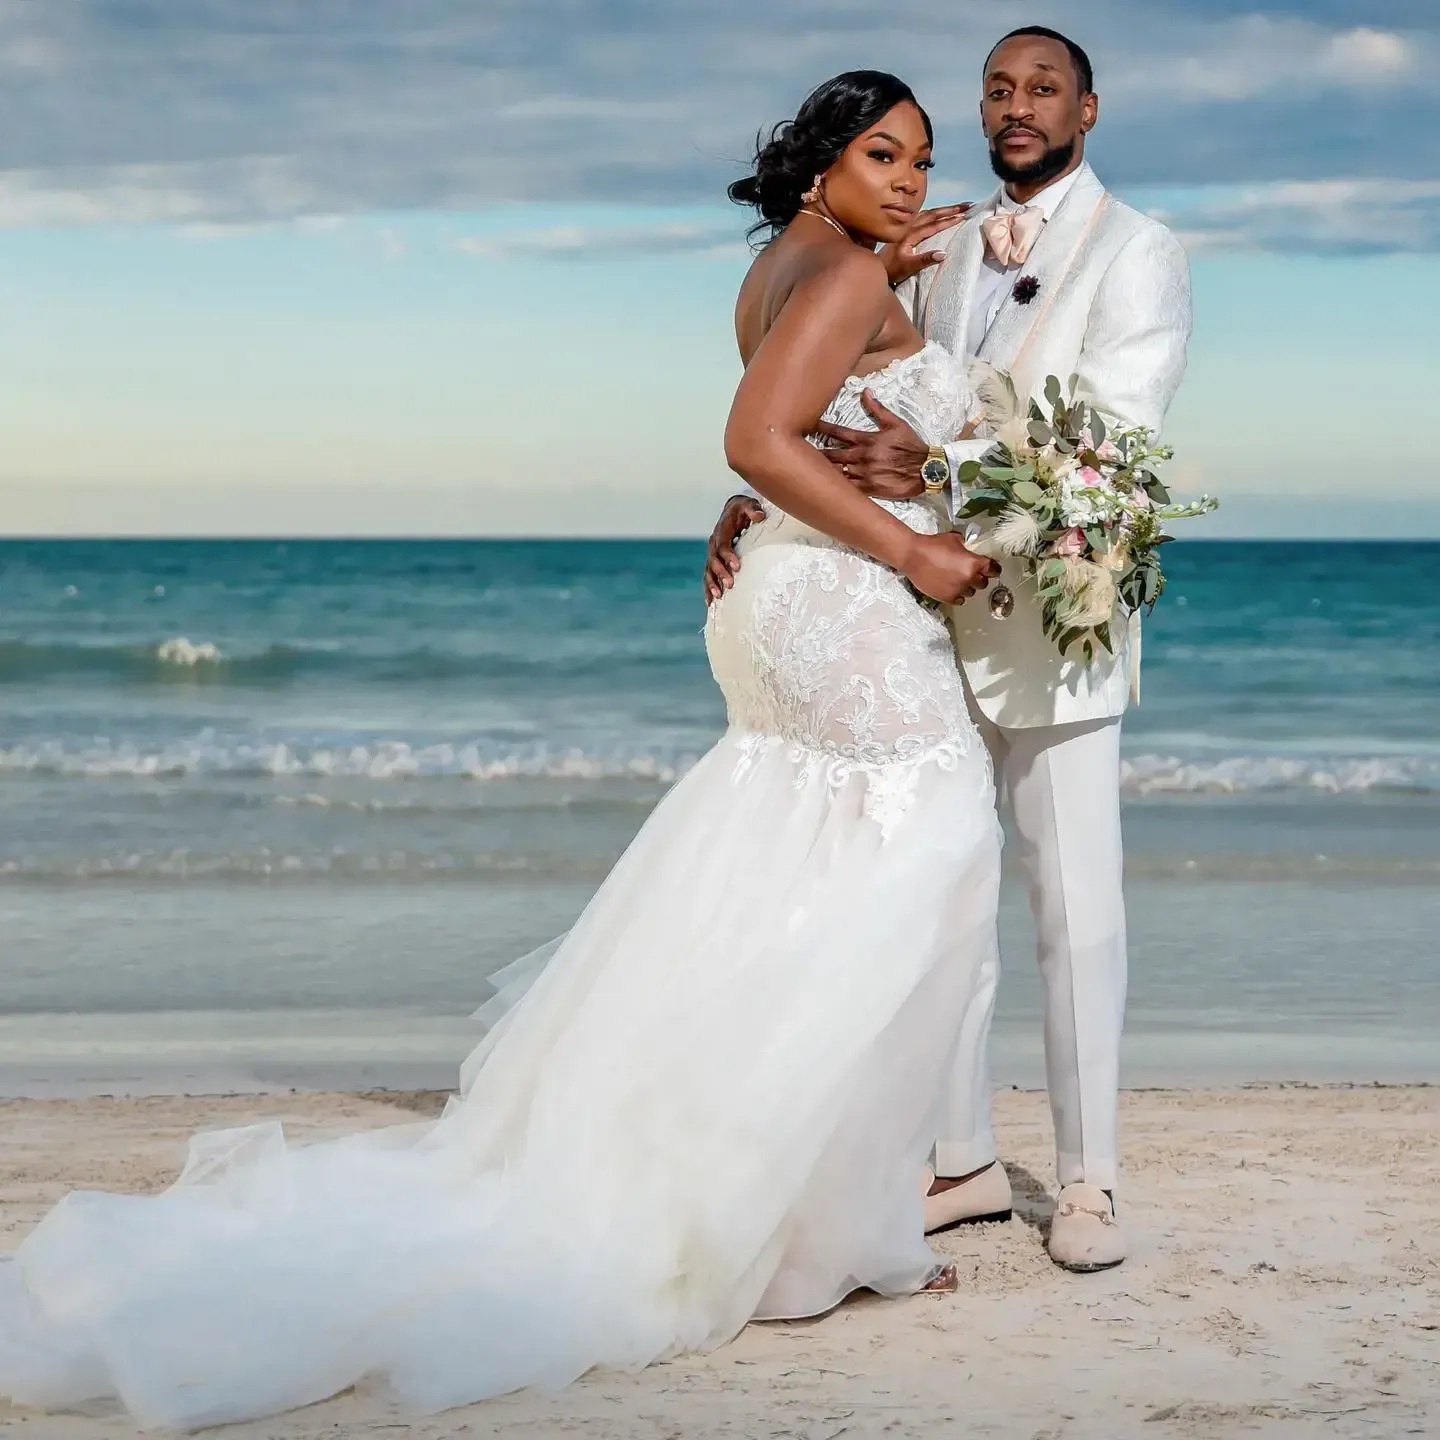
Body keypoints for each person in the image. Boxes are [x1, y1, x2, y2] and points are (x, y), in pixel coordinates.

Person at [0, 73, 1004, 1430]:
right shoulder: (843, 274)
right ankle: (816, 1239)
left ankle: (797, 1212)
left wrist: (906, 260)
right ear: (819, 162)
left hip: (772, 597)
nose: (902, 177)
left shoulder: (787, 268)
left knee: (783, 863)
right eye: (879, 154)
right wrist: (922, 548)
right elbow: (758, 437)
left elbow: (782, 431)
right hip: (840, 597)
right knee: (921, 855)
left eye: (918, 159)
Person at [705, 27, 1193, 1273]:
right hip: (904, 622)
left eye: (1043, 88)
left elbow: (1117, 450)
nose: (1016, 106)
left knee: (1072, 909)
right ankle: (962, 1162)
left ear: (1091, 104)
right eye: (998, 87)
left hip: (1048, 619)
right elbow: (813, 395)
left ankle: (1088, 1184)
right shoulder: (926, 241)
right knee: (932, 903)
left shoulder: (1139, 252)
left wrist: (947, 474)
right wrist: (762, 497)